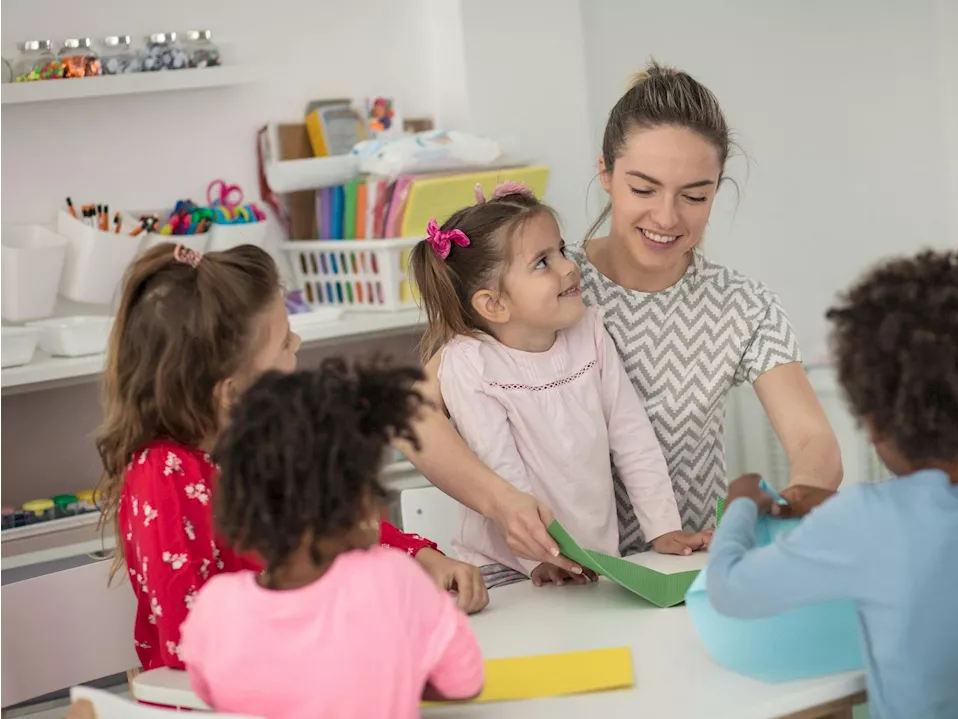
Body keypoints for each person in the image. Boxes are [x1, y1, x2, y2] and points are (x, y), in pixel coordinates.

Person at [399, 61, 842, 571]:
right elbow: (410, 413)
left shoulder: (742, 305)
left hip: (678, 575)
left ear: (717, 190)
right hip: (549, 578)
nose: (667, 217)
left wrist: (790, 504)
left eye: (695, 195)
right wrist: (502, 503)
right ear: (605, 173)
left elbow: (813, 440)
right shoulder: (544, 286)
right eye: (644, 189)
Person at [703, 249, 958, 719]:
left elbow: (728, 589)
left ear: (873, 421)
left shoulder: (867, 520)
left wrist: (741, 503)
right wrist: (835, 508)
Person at [94, 244, 487, 672]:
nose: (297, 342)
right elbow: (189, 644)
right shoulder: (160, 474)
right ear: (231, 392)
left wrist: (421, 558)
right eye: (284, 341)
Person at [410, 181, 711, 588]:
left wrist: (663, 528)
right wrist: (540, 558)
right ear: (493, 304)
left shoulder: (589, 332)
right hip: (507, 569)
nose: (569, 267)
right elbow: (503, 474)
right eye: (542, 262)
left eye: (562, 250)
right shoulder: (471, 363)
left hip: (594, 558)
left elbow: (631, 434)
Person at [182, 359, 484, 719]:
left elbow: (210, 692)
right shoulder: (392, 578)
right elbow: (465, 682)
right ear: (361, 501)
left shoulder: (215, 608)